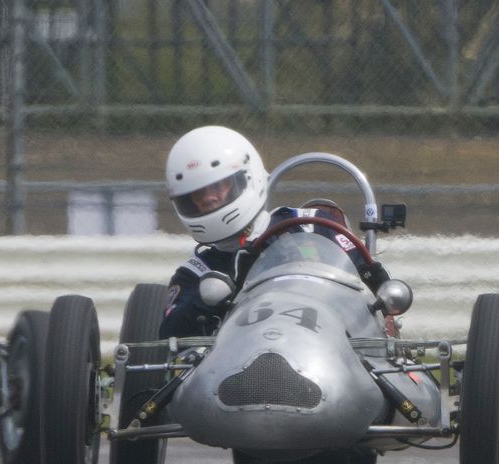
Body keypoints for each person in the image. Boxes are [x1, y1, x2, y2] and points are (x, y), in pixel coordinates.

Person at [158, 127, 388, 336]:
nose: (209, 198)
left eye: (218, 187)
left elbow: (373, 287)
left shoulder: (311, 225)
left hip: (331, 346)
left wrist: (376, 279)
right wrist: (210, 298)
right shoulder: (198, 271)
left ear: (249, 178)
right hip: (241, 360)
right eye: (198, 195)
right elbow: (169, 337)